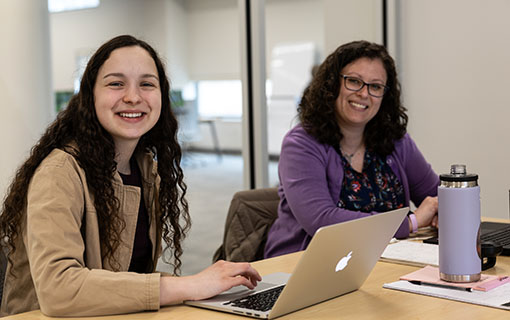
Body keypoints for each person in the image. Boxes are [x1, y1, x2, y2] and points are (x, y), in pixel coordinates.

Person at [0, 35, 260, 317]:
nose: (133, 97)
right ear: (90, 95)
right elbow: (58, 289)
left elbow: (125, 275)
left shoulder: (145, 169)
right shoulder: (59, 173)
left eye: (147, 84)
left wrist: (207, 284)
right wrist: (188, 286)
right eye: (116, 83)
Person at [264, 40, 439, 259]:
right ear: (332, 85)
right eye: (354, 81)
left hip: (385, 261)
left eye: (375, 86)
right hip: (308, 265)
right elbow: (322, 221)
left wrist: (445, 211)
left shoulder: (396, 141)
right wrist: (410, 223)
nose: (364, 94)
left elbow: (436, 194)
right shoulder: (301, 144)